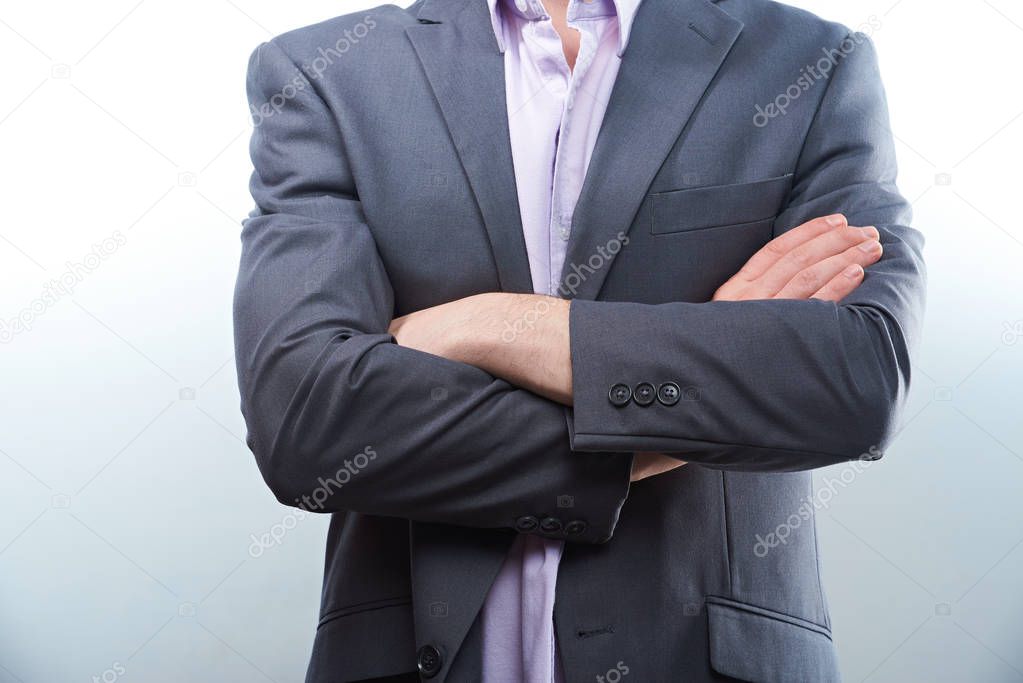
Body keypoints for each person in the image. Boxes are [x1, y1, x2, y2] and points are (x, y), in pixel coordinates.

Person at [233, 0, 925, 679]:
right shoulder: (326, 73)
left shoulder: (807, 64)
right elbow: (304, 420)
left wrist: (490, 324)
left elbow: (856, 376)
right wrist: (675, 413)